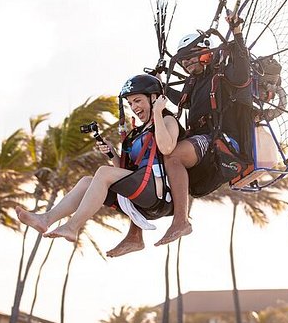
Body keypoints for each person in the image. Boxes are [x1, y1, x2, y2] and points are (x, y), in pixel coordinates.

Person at [16, 74, 184, 257]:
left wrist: (158, 113)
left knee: (103, 173)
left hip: (158, 194)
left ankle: (72, 226)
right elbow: (126, 171)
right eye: (130, 104)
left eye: (138, 101)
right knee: (88, 181)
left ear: (154, 98)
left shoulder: (167, 120)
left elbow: (167, 148)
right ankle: (46, 219)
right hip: (141, 191)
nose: (134, 107)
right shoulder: (136, 133)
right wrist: (112, 154)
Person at [154, 14, 253, 246]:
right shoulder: (193, 83)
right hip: (202, 140)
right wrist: (159, 87)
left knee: (174, 155)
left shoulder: (222, 74)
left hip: (220, 140)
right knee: (157, 156)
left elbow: (241, 74)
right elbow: (183, 101)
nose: (187, 64)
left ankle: (181, 222)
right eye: (183, 62)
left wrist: (237, 33)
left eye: (191, 58)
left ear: (205, 52)